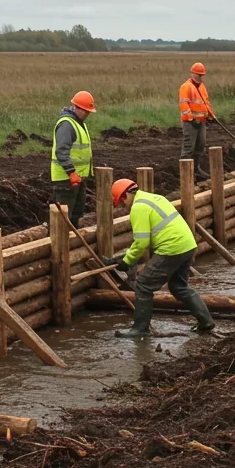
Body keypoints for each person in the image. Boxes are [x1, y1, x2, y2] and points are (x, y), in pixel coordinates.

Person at [104, 178, 215, 337]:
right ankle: (206, 322)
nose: (124, 205)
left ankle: (140, 329)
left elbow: (142, 241)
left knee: (143, 285)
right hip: (188, 245)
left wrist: (127, 262)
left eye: (122, 202)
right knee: (179, 287)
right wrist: (126, 257)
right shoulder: (155, 198)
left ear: (124, 196)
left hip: (172, 248)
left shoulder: (139, 207)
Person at [50, 91, 95, 225]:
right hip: (66, 179)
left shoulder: (79, 123)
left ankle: (72, 244)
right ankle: (61, 245)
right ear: (77, 108)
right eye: (86, 111)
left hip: (77, 179)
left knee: (76, 215)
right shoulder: (67, 125)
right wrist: (71, 172)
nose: (87, 114)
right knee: (63, 219)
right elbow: (61, 152)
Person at [179, 62, 215, 180]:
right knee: (189, 147)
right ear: (192, 74)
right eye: (197, 75)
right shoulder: (186, 86)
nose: (199, 77)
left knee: (200, 146)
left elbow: (206, 102)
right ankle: (185, 175)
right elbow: (184, 104)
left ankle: (195, 170)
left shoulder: (202, 87)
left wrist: (211, 115)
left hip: (202, 121)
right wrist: (191, 118)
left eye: (201, 75)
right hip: (191, 123)